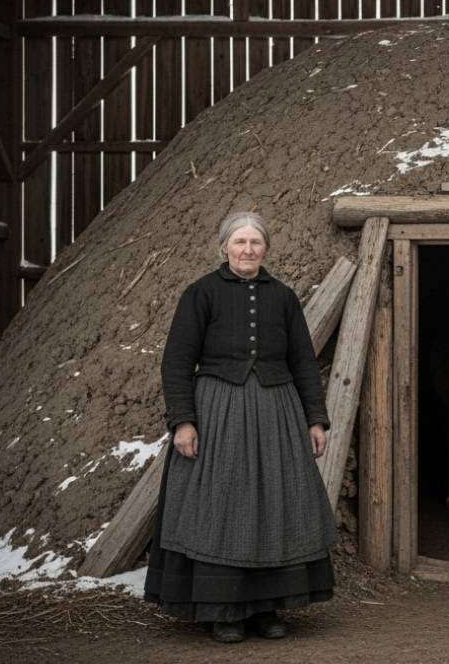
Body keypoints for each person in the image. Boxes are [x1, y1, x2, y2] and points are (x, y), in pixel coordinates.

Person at [144, 210, 336, 643]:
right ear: (225, 247)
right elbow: (176, 362)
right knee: (221, 507)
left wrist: (315, 419)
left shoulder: (283, 297)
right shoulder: (201, 294)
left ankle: (268, 610)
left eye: (255, 242)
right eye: (239, 242)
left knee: (275, 506)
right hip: (218, 413)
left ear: (266, 248)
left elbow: (303, 362)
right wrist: (184, 422)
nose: (247, 250)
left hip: (276, 413)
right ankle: (224, 611)